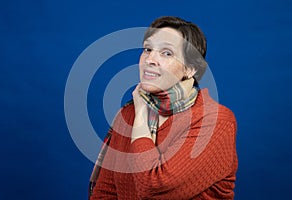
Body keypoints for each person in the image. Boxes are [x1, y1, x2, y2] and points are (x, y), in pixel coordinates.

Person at [89, 16, 238, 199]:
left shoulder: (216, 121)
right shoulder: (127, 114)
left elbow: (153, 189)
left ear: (190, 69)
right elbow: (104, 192)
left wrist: (142, 115)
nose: (150, 59)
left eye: (166, 53)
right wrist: (137, 111)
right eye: (147, 49)